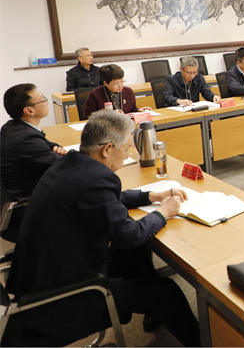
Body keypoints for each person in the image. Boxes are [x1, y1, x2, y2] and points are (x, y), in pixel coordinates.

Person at [5, 110, 200, 347]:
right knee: (167, 290)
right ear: (107, 149)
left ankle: (148, 302)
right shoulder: (96, 179)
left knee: (134, 254)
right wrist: (164, 212)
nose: (127, 155)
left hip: (40, 277)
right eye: (126, 149)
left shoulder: (71, 163)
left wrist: (151, 195)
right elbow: (130, 235)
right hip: (62, 298)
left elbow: (105, 198)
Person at [1, 84, 67, 241]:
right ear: (29, 110)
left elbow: (44, 142)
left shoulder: (12, 127)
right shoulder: (26, 139)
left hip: (20, 194)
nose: (46, 101)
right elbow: (65, 165)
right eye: (42, 99)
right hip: (28, 208)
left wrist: (53, 147)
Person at [84, 64, 151, 118]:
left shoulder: (128, 91)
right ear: (105, 83)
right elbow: (89, 117)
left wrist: (139, 110)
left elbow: (132, 110)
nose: (120, 86)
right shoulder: (95, 95)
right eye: (116, 83)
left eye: (122, 81)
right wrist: (109, 115)